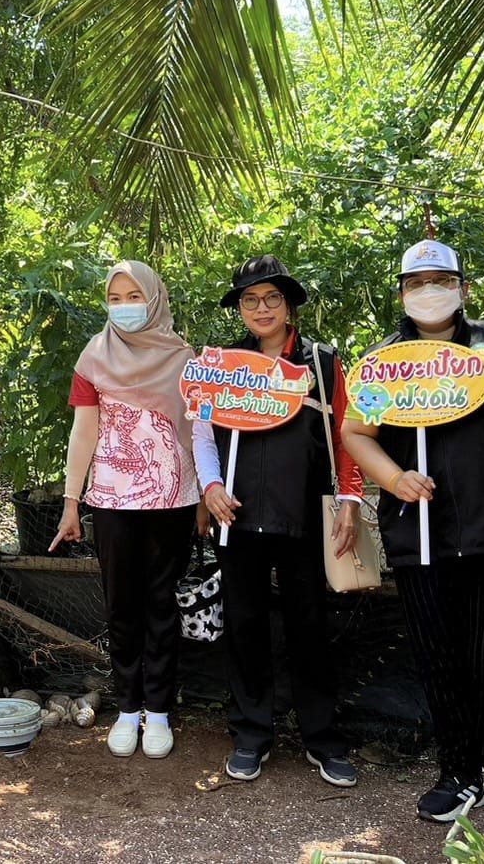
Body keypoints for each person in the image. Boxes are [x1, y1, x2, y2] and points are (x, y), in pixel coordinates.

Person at [340, 239, 484, 843]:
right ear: (403, 292)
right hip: (420, 537)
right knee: (439, 659)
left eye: (441, 278)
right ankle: (457, 772)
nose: (429, 290)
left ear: (462, 286)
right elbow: (357, 433)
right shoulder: (382, 362)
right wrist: (394, 478)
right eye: (417, 281)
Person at [192, 256, 364, 787]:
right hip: (235, 515)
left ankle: (322, 738)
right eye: (250, 300)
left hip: (305, 515)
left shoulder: (324, 362)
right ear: (239, 308)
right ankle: (250, 735)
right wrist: (211, 487)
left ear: (288, 305)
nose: (261, 308)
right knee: (243, 624)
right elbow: (201, 431)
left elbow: (348, 436)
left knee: (310, 625)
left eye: (271, 298)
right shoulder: (219, 363)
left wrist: (352, 499)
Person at [52, 261, 199, 760]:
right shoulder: (95, 356)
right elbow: (84, 432)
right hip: (111, 501)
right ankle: (128, 708)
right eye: (115, 298)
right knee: (122, 606)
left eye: (134, 295)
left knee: (162, 603)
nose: (124, 306)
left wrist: (204, 491)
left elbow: (197, 431)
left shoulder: (185, 358)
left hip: (174, 499)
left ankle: (158, 711)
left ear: (155, 297)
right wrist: (72, 501)